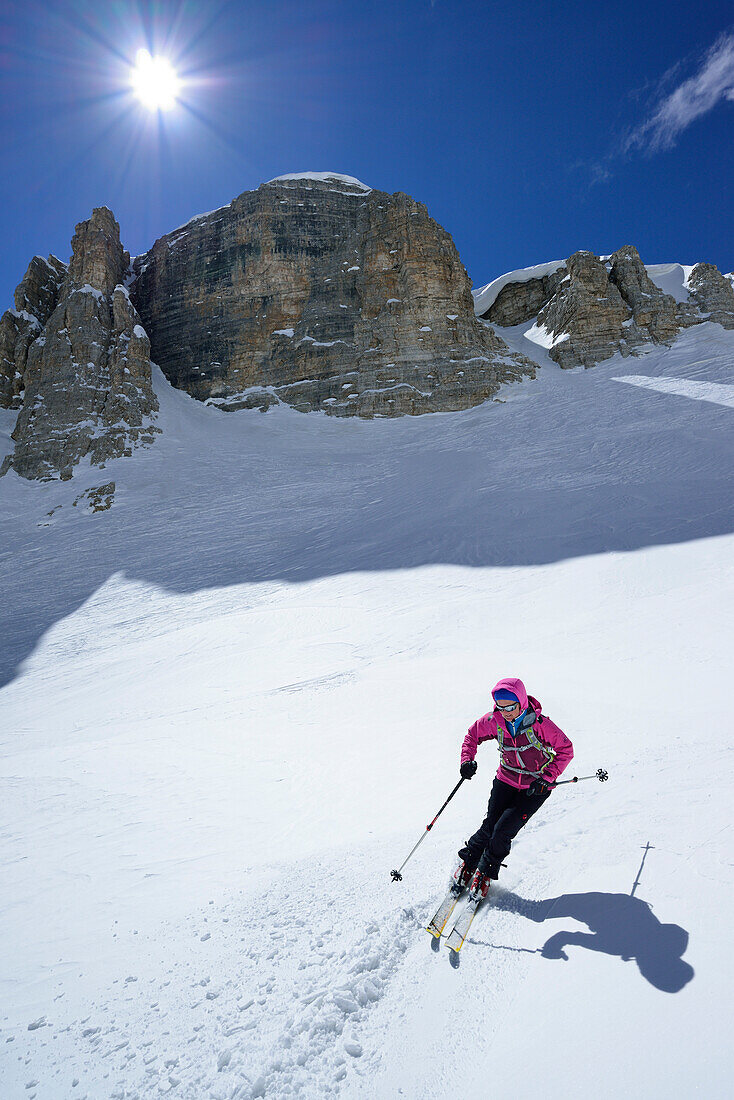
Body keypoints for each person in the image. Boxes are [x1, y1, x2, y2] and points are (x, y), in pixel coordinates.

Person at [453, 676, 574, 900]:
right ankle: (469, 862)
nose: (506, 711)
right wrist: (467, 760)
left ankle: (485, 873)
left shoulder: (540, 725)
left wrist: (547, 778)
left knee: (502, 832)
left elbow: (566, 749)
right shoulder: (494, 720)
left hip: (534, 788)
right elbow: (472, 736)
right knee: (489, 826)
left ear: (521, 702)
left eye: (510, 706)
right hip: (505, 780)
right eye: (501, 706)